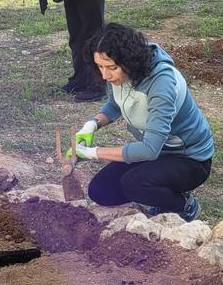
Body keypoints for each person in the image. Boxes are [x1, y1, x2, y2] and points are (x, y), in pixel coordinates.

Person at [73, 24, 214, 222]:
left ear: (129, 61)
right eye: (100, 66)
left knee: (134, 184)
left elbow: (149, 150)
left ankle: (184, 205)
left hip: (189, 158)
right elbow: (114, 106)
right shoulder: (118, 75)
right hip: (158, 150)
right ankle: (156, 187)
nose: (105, 75)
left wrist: (93, 152)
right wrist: (92, 124)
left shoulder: (162, 84)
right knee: (100, 191)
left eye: (111, 68)